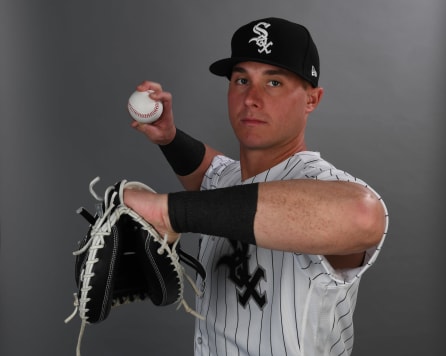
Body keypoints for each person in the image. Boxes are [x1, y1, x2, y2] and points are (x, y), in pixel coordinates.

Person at [123, 17, 388, 356]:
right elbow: (211, 172)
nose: (251, 98)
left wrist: (167, 211)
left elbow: (362, 216)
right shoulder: (230, 181)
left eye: (274, 82)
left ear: (312, 99)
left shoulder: (321, 185)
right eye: (242, 79)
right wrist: (170, 139)